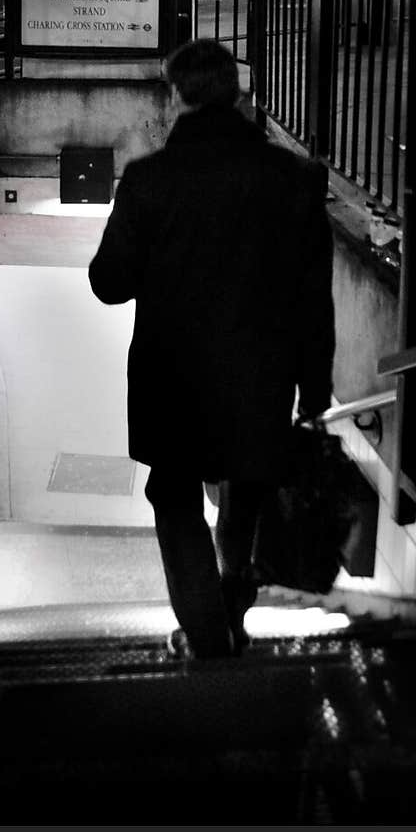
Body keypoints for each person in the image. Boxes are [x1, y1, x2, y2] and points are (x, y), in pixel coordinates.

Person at [88, 39, 335, 660]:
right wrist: (315, 384)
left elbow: (108, 284)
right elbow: (314, 295)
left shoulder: (149, 180)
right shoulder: (293, 178)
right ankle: (230, 613)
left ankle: (207, 636)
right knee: (246, 489)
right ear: (236, 95)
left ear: (177, 97)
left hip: (173, 376)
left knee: (173, 497)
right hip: (262, 373)